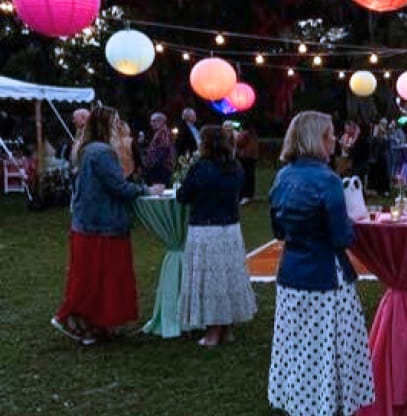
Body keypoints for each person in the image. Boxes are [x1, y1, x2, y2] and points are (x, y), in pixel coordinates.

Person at [267, 111, 374, 415]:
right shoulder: (328, 181)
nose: (335, 140)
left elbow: (278, 230)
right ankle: (325, 403)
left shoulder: (282, 177)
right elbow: (341, 237)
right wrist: (354, 222)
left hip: (291, 273)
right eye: (330, 135)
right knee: (328, 348)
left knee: (296, 345)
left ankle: (299, 402)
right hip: (325, 276)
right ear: (318, 139)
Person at [52, 106, 164, 345]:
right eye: (115, 123)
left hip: (89, 222)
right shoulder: (103, 152)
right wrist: (147, 190)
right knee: (102, 278)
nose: (118, 128)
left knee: (95, 277)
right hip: (103, 224)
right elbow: (118, 186)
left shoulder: (88, 149)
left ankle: (100, 325)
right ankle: (80, 321)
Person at [176, 125, 257, 346]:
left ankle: (213, 331)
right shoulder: (236, 167)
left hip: (206, 229)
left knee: (211, 281)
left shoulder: (201, 168)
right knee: (228, 277)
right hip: (230, 229)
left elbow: (184, 195)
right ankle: (227, 328)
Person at [144, 112, 175, 186]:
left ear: (162, 121)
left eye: (154, 121)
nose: (151, 123)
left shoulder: (164, 133)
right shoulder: (159, 133)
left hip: (161, 169)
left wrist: (152, 165)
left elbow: (163, 150)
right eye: (151, 121)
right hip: (159, 168)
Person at [235, 125, 259, 204]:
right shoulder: (253, 134)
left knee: (245, 176)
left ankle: (245, 195)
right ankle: (250, 195)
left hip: (245, 156)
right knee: (250, 176)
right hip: (252, 156)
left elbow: (239, 142)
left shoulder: (245, 133)